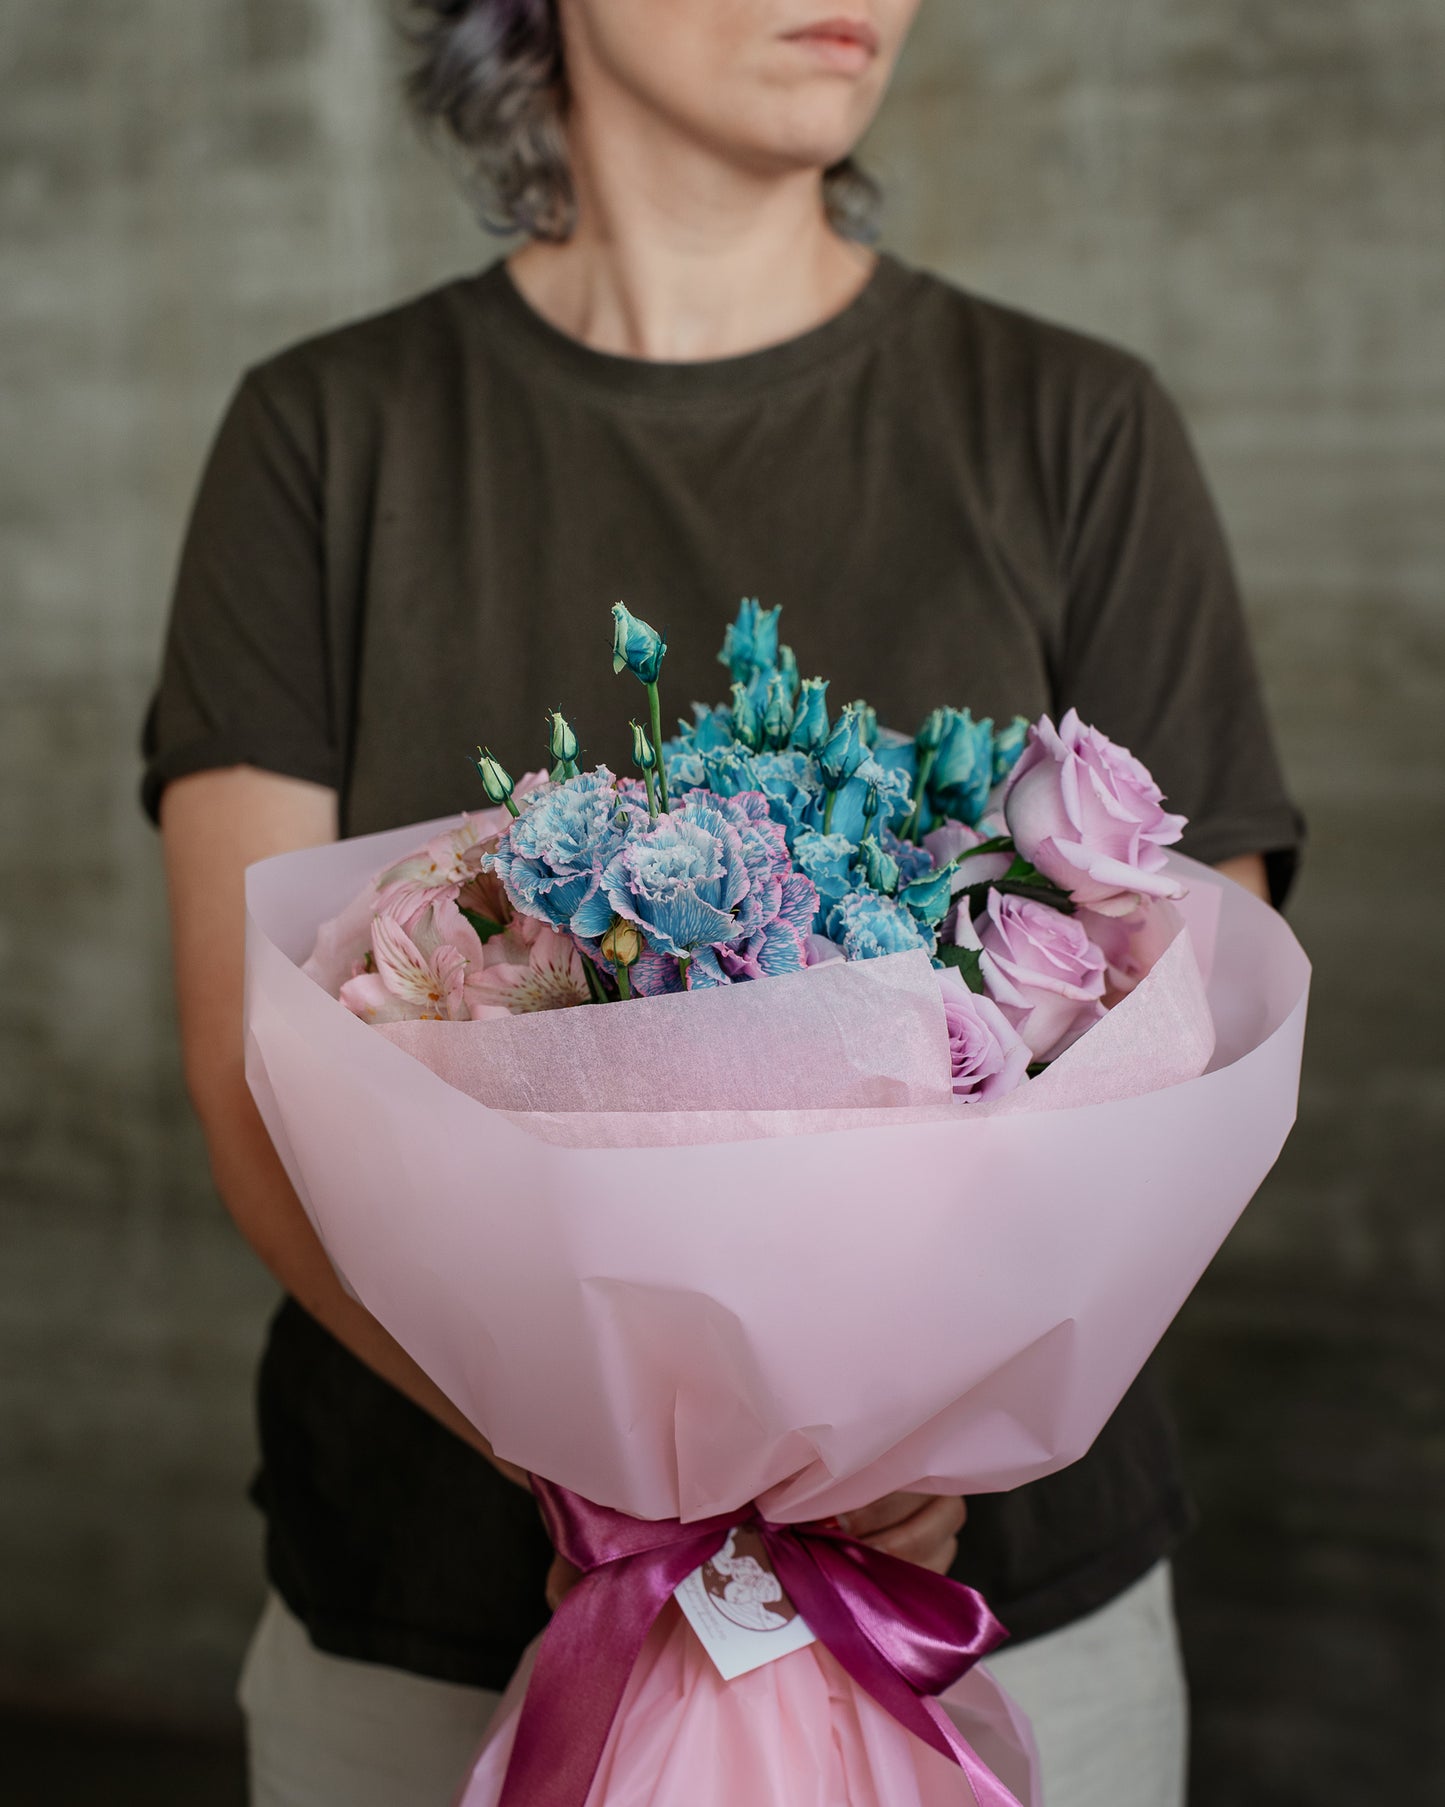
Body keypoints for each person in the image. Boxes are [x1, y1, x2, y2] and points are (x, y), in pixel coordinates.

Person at [144, 4, 1302, 1804]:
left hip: (994, 1628)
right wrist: (608, 1473)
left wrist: (922, 1443)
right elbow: (254, 1087)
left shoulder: (1074, 424)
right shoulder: (323, 438)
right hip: (432, 1636)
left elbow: (1194, 1041)